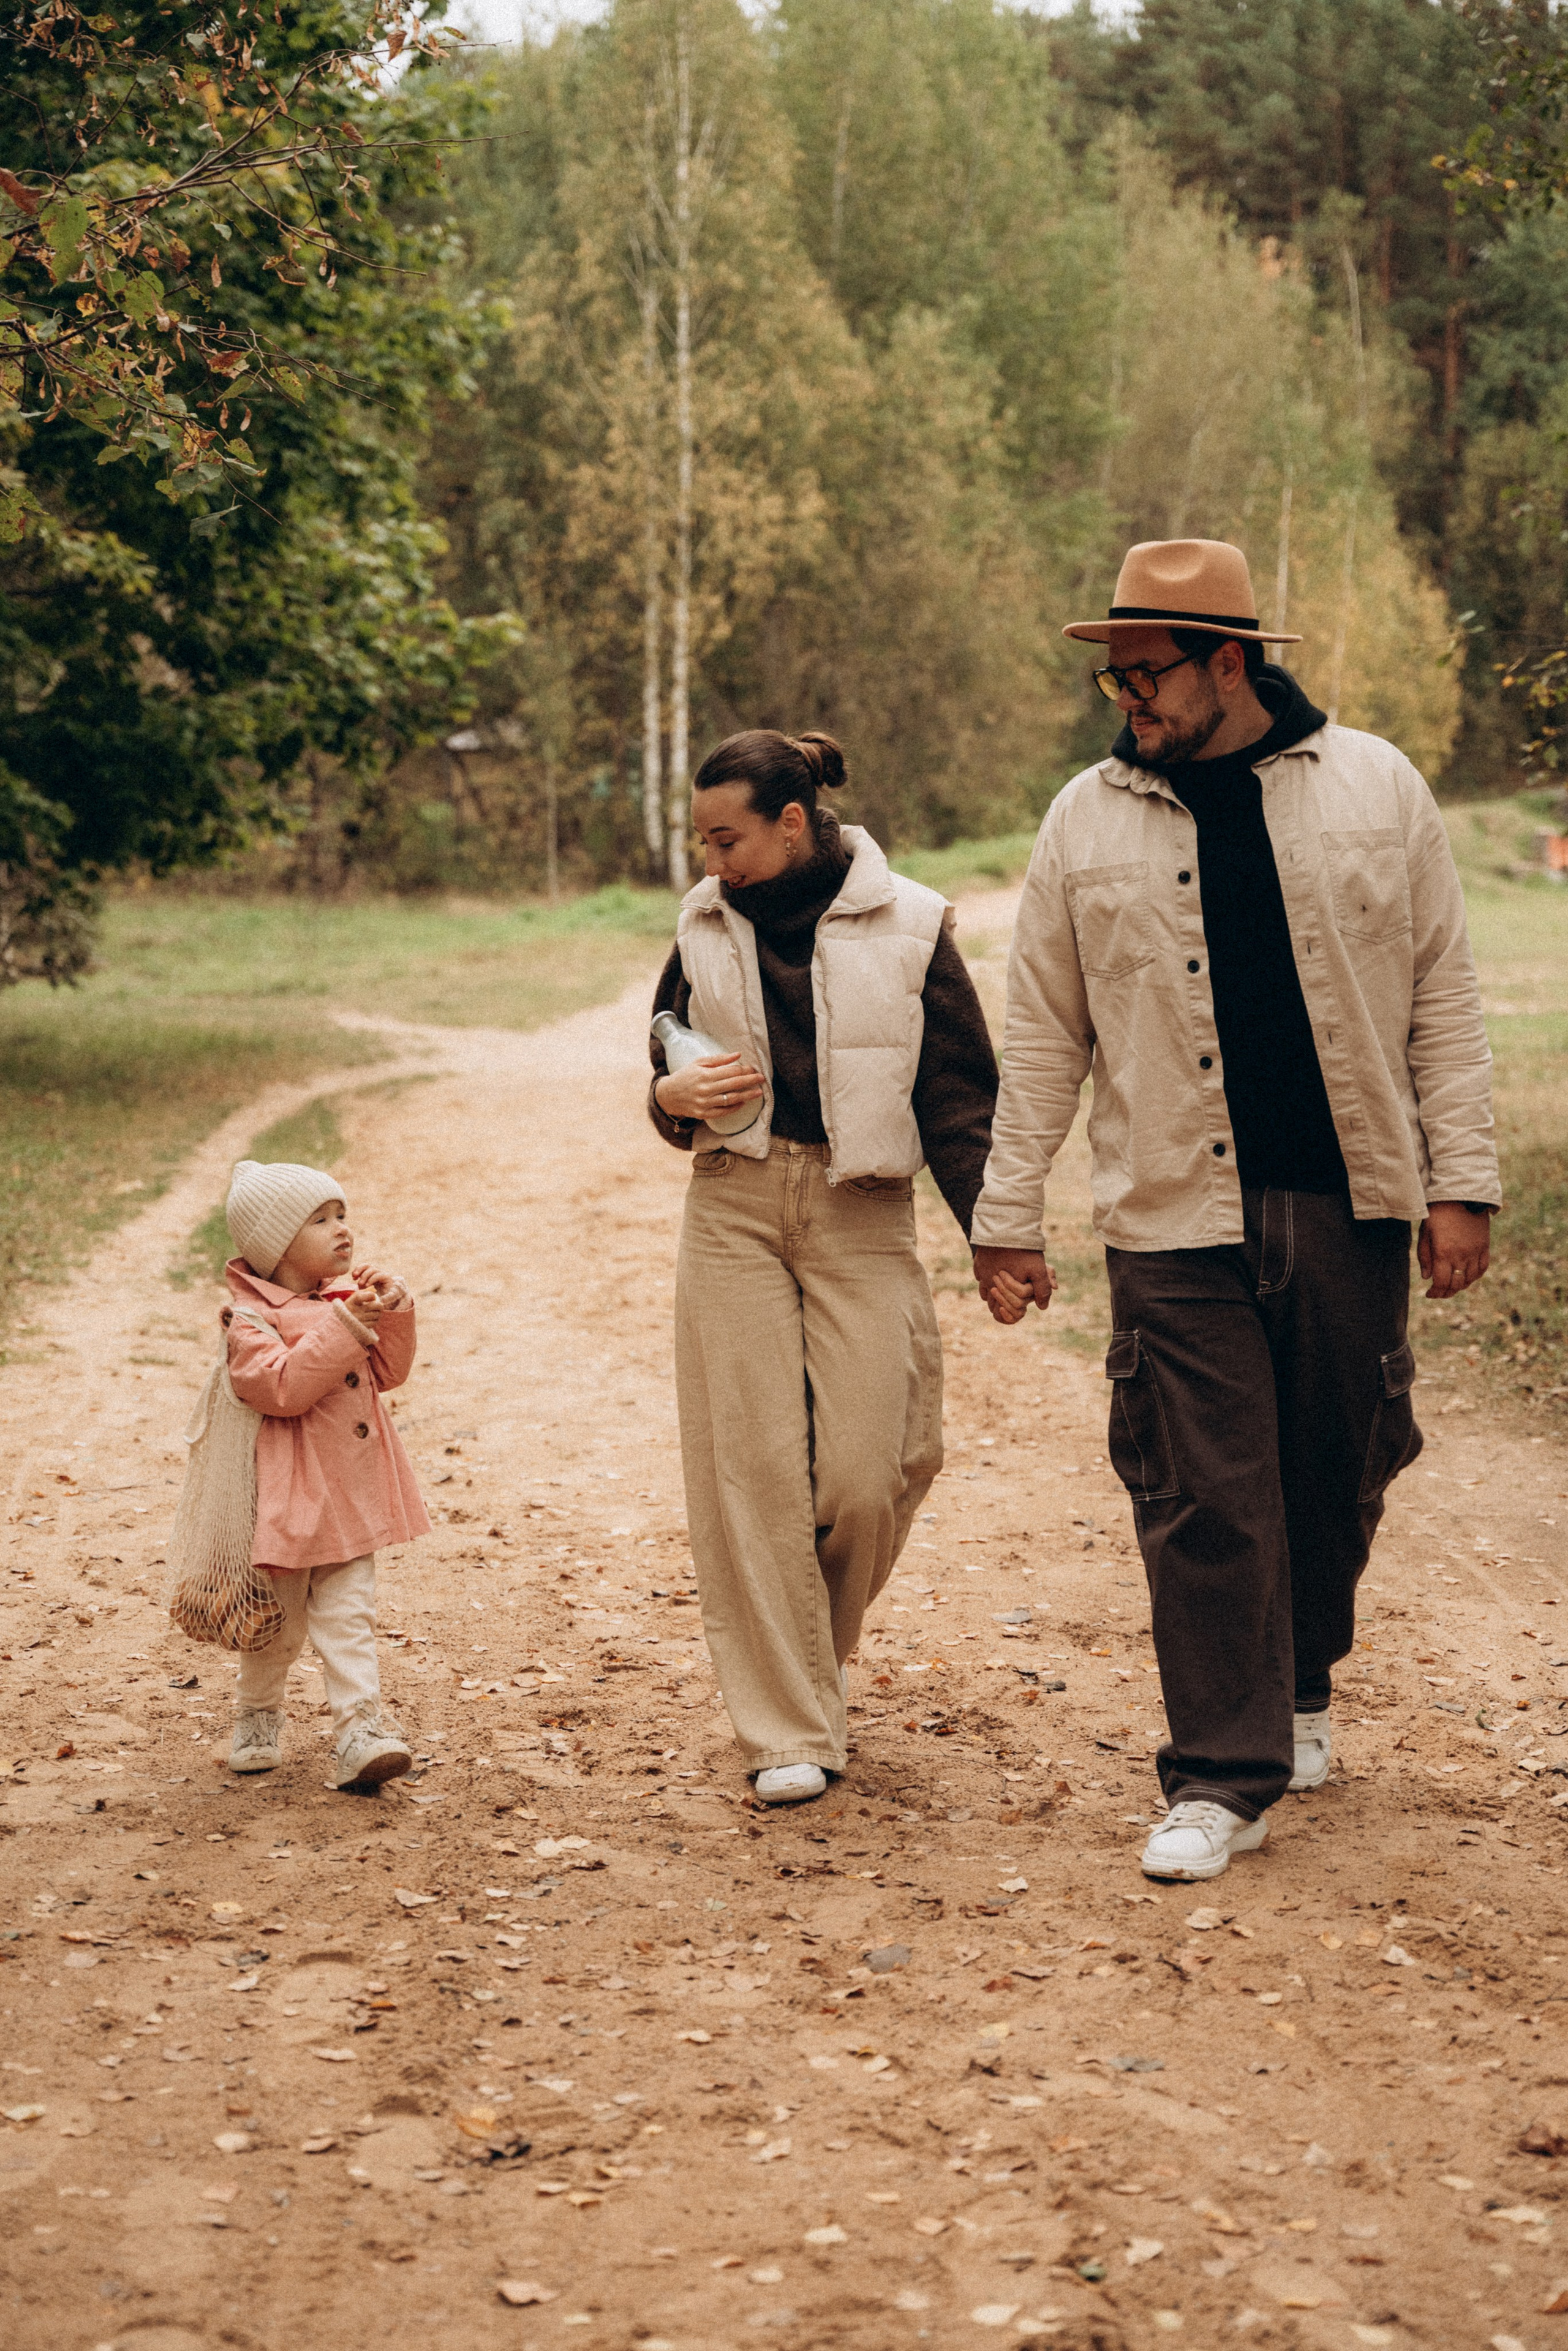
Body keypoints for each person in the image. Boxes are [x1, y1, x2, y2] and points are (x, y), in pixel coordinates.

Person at [969, 539, 1499, 1881]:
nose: (1123, 701)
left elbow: (1441, 998)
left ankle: (1298, 1670)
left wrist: (1460, 1181)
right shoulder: (1081, 819)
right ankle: (1218, 1772)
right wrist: (1005, 1209)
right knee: (1202, 1495)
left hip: (1350, 1202)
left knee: (1338, 1467)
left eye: (1141, 674)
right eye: (1111, 679)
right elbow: (1040, 1029)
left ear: (1227, 662)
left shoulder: (1378, 788)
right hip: (1167, 1215)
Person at [649, 730, 998, 1804]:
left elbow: (960, 1094)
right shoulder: (702, 921)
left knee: (877, 1467)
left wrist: (996, 1234)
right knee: (751, 1473)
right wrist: (669, 1101)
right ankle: (788, 1724)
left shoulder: (913, 920)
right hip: (735, 1208)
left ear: (791, 823)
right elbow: (661, 1052)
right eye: (701, 838)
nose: (712, 860)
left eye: (728, 836)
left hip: (864, 1209)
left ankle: (805, 1652)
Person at [221, 1158, 431, 1790]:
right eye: (321, 1219)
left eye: (342, 1214)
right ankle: (257, 1712)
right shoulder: (249, 1321)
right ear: (277, 1245)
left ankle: (359, 1731)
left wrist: (391, 1311)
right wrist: (344, 1326)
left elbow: (387, 1374)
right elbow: (280, 1388)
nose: (342, 1229)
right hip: (286, 1504)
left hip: (348, 1496)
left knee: (350, 1616)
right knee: (274, 1629)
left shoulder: (343, 1301)